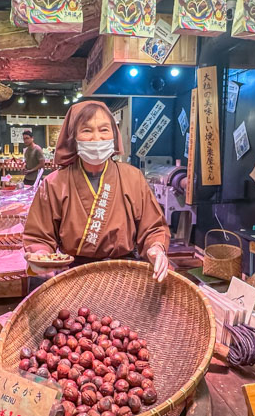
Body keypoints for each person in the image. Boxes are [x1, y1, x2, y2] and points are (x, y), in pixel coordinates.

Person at [22, 100, 169, 282]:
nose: (96, 138)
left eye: (104, 129)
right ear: (73, 137)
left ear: (114, 134)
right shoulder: (54, 183)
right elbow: (39, 236)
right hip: (73, 276)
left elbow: (153, 227)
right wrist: (40, 255)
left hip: (124, 274)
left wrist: (156, 247)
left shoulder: (133, 177)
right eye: (86, 130)